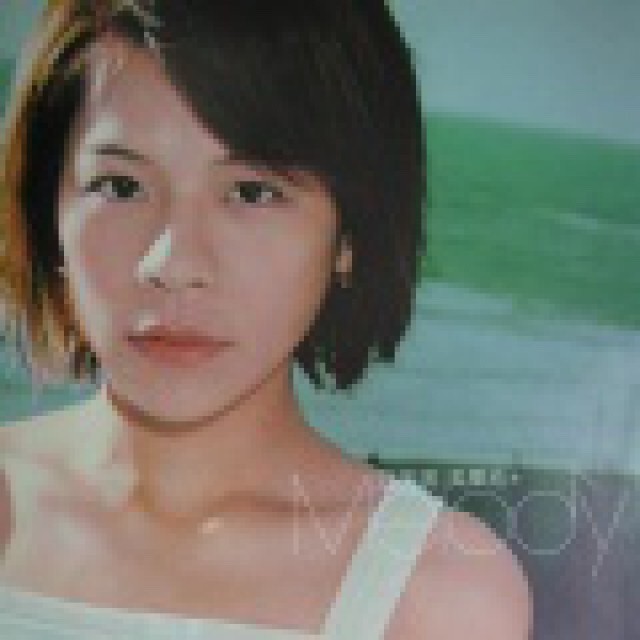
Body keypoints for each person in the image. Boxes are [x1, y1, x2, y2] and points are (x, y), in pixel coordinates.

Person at [0, 1, 531, 638]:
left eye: (252, 192)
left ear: (348, 236)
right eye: (121, 186)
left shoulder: (434, 590)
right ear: (48, 213)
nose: (173, 264)